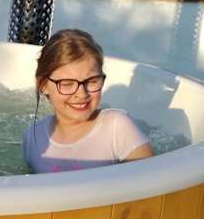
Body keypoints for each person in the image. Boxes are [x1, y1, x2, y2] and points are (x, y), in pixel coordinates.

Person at [23, 29, 153, 173]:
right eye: (67, 84)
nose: (81, 94)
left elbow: (151, 180)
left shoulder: (116, 128)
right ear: (43, 85)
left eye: (92, 81)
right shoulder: (33, 138)